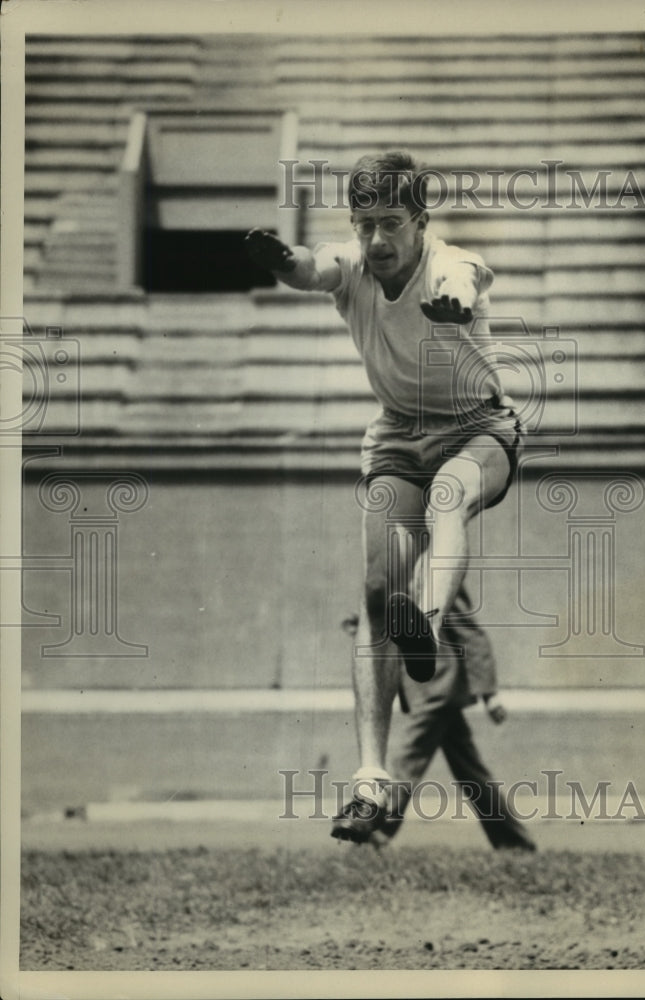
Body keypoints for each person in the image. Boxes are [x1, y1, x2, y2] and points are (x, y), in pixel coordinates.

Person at [246, 150, 521, 843]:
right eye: (364, 223)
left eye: (390, 224)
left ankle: (425, 623)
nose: (376, 240)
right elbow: (313, 269)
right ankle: (370, 782)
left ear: (421, 221)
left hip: (477, 429)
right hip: (398, 436)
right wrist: (283, 261)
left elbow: (469, 273)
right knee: (375, 588)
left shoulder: (450, 263)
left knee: (450, 496)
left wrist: (455, 299)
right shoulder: (355, 264)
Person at [341, 587, 536, 852]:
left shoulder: (440, 577)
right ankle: (514, 842)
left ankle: (375, 831)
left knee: (405, 762)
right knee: (472, 773)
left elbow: (470, 634)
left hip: (436, 691)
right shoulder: (399, 578)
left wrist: (490, 695)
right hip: (429, 692)